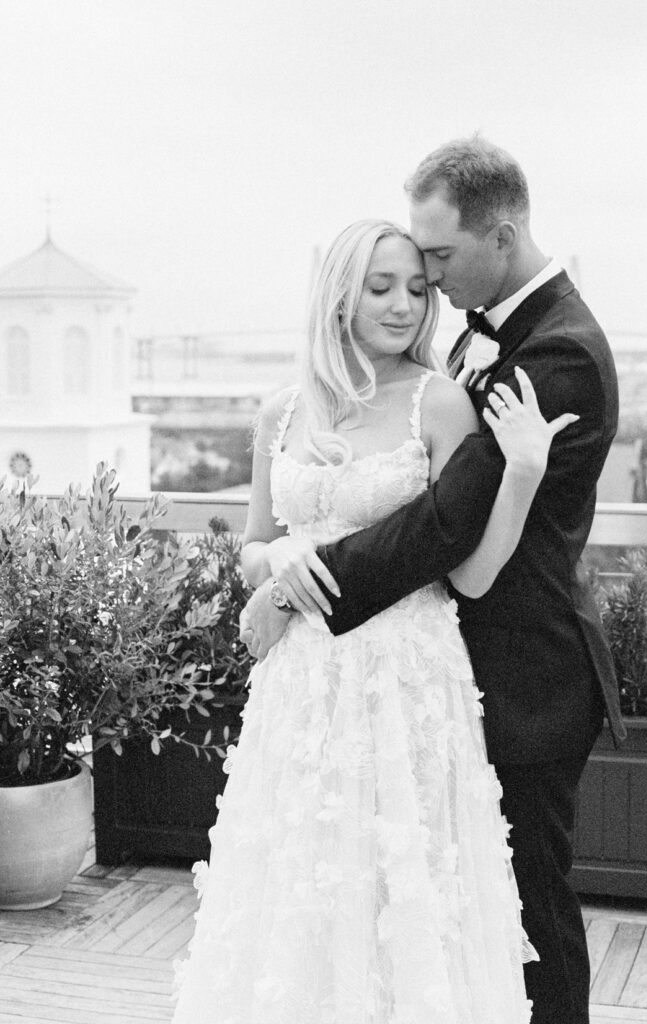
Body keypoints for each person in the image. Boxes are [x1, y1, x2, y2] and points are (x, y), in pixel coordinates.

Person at [243, 138, 627, 1024]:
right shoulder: (484, 332)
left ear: (503, 235)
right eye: (404, 274)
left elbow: (445, 524)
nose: (429, 286)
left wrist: (295, 585)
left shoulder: (559, 353)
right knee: (411, 903)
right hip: (422, 663)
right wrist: (273, 563)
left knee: (524, 912)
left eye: (438, 264)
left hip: (523, 668)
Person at [173, 217, 576, 1024]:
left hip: (405, 679)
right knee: (302, 888)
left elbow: (470, 571)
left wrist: (525, 471)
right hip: (299, 688)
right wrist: (278, 564)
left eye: (418, 290)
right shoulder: (279, 413)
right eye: (381, 287)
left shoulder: (442, 403)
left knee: (402, 893)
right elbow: (255, 548)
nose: (403, 306)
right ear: (339, 296)